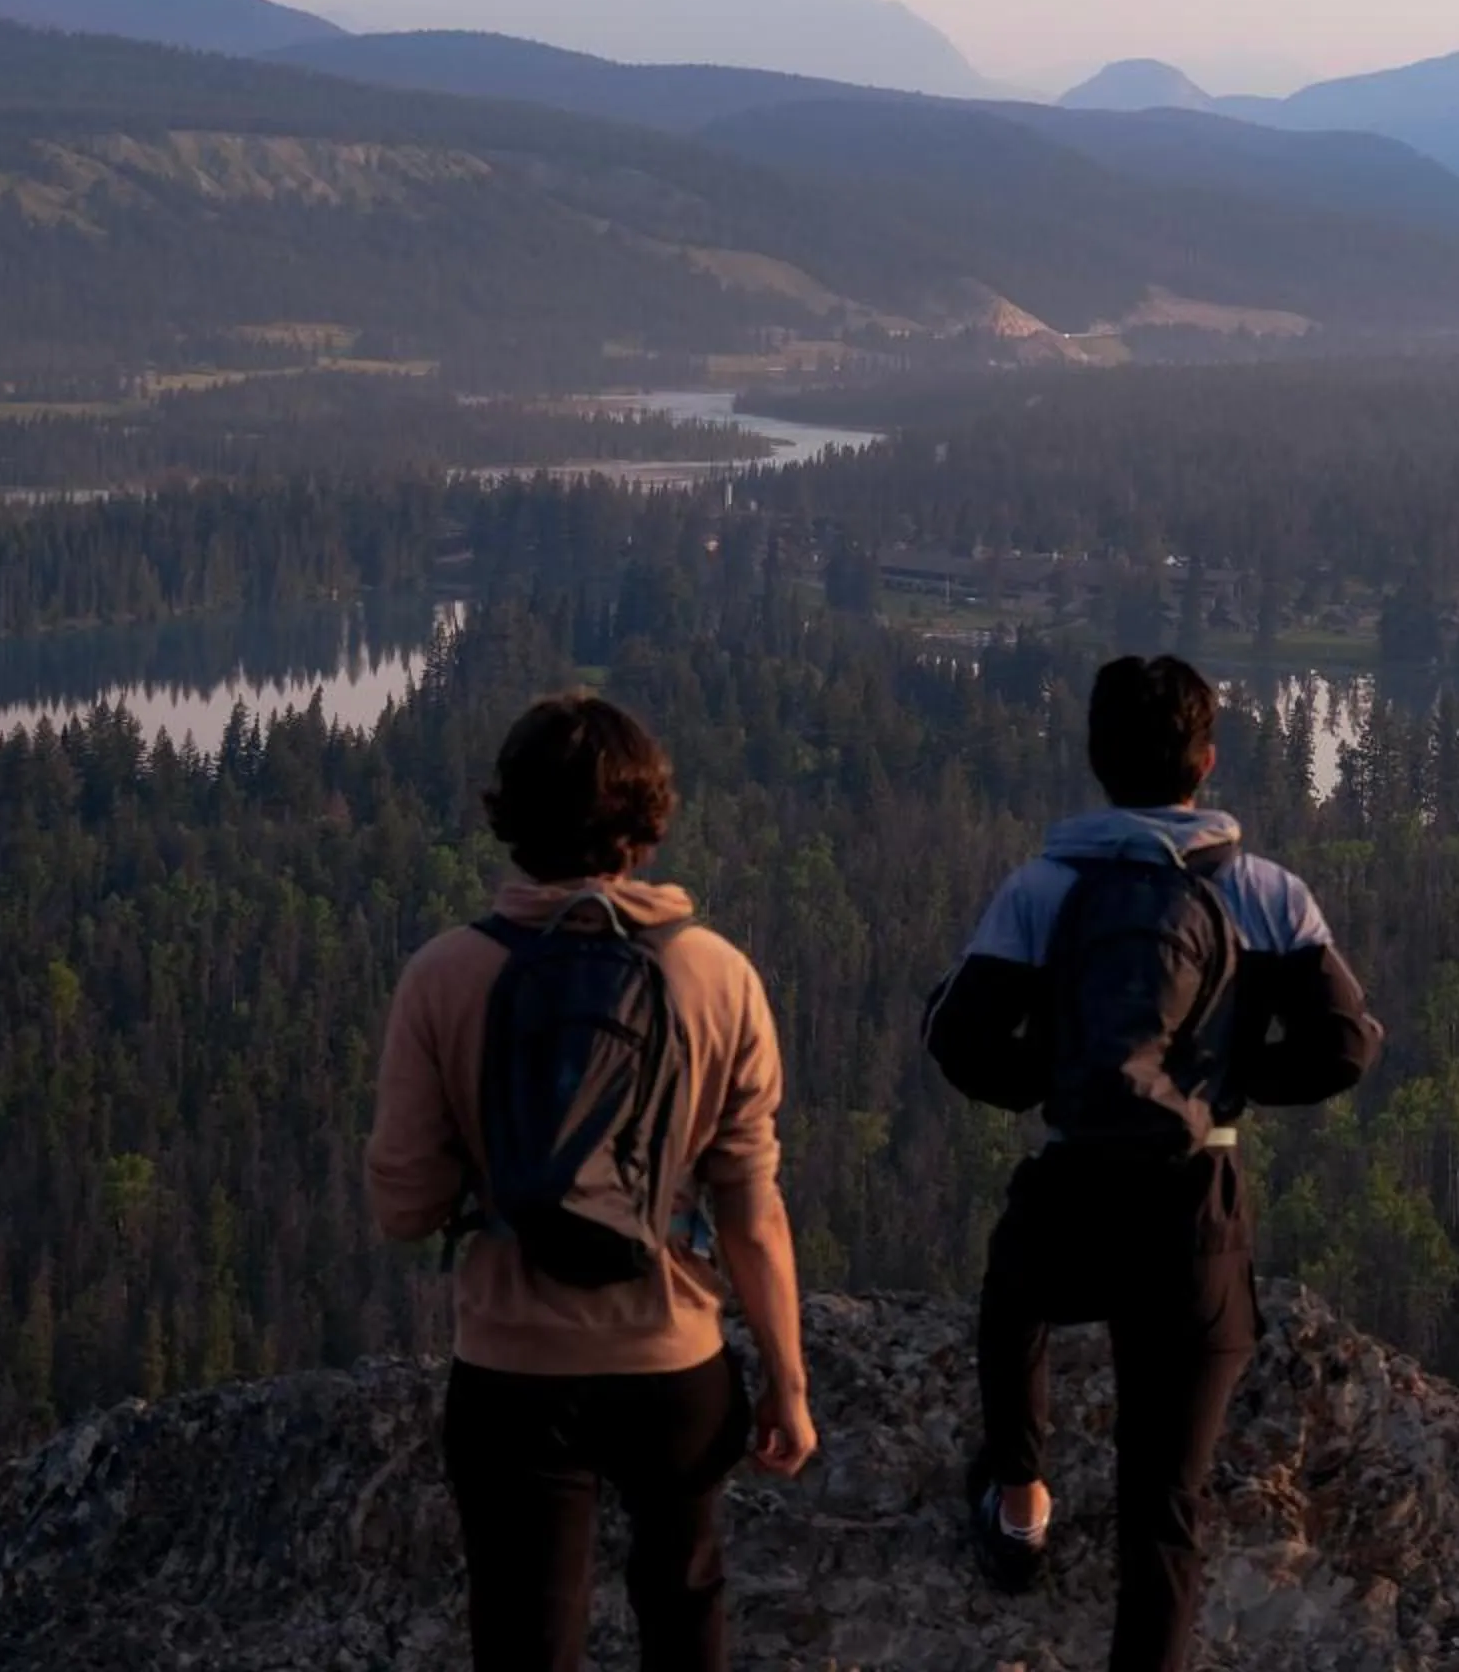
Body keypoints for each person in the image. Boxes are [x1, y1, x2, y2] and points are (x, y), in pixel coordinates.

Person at [926, 654, 1383, 1672]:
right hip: (1198, 1208)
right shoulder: (1267, 893)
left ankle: (1020, 1498)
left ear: (1097, 760)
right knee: (1164, 1510)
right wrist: (1227, 1087)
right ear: (1207, 761)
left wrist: (1060, 1079)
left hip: (1076, 1183)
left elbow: (958, 1039)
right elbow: (1347, 1044)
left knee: (1015, 1301)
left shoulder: (1044, 886)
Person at [367, 692, 815, 1672]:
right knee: (685, 1600)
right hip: (675, 1357)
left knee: (526, 1636)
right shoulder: (716, 973)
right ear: (645, 824)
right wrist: (785, 1376)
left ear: (511, 817)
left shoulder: (445, 974)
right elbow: (751, 1204)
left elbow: (403, 1204)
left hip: (512, 1368)